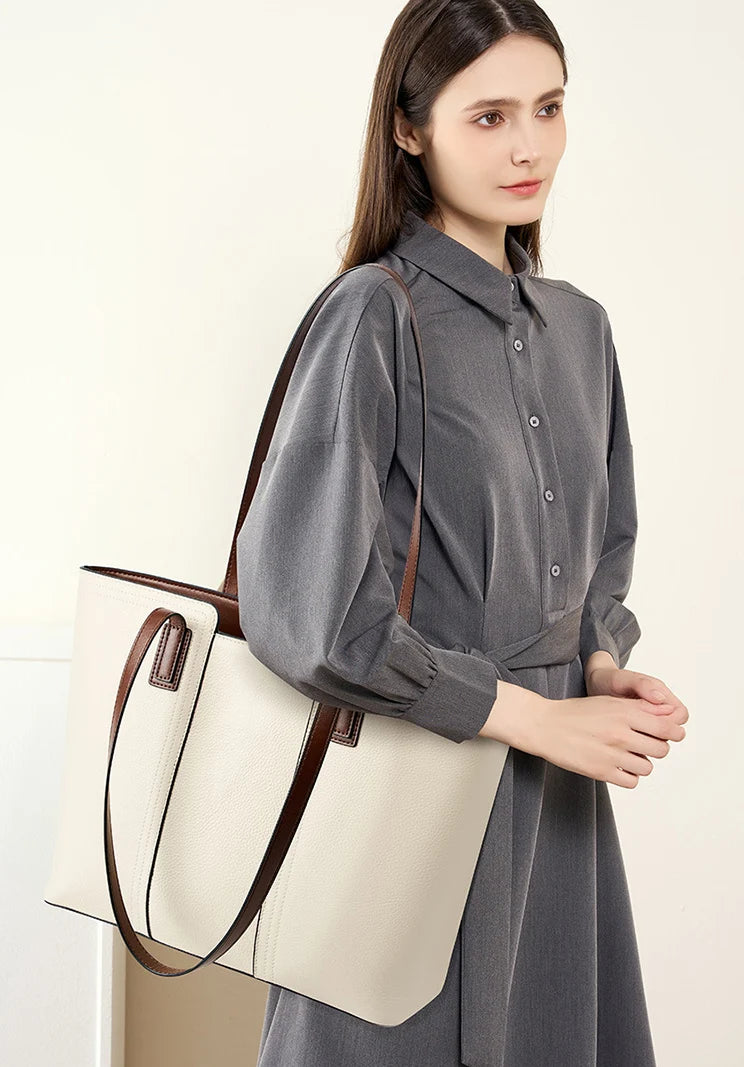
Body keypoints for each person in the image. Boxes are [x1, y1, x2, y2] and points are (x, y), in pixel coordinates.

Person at [235, 1, 689, 1064]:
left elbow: (601, 552)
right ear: (410, 129)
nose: (529, 147)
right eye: (488, 117)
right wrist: (532, 716)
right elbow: (308, 613)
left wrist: (598, 664)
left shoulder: (581, 328)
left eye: (548, 108)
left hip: (556, 815)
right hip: (412, 791)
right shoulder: (371, 314)